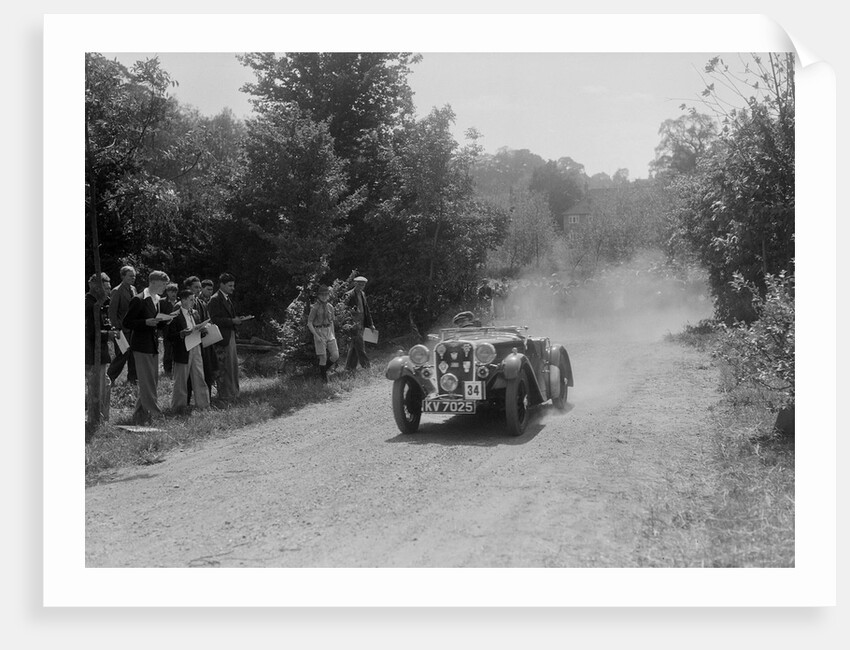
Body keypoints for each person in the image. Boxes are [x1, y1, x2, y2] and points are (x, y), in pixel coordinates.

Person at [124, 270, 172, 424]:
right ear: (153, 282)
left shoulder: (157, 299)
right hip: (141, 345)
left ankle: (139, 413)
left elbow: (156, 323)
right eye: (163, 284)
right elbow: (127, 322)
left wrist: (166, 321)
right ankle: (154, 413)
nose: (165, 287)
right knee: (147, 381)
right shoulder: (138, 299)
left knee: (152, 380)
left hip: (152, 345)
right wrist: (145, 322)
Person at [208, 272, 249, 400]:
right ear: (222, 285)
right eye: (230, 285)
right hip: (221, 338)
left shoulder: (226, 298)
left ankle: (233, 392)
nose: (233, 288)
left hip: (229, 335)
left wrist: (237, 319)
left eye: (233, 285)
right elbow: (214, 319)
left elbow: (227, 317)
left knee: (232, 366)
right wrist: (232, 321)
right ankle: (225, 394)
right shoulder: (215, 299)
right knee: (224, 366)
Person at [167, 289, 211, 411]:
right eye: (191, 299)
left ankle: (203, 405)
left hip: (196, 347)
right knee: (181, 380)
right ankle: (178, 407)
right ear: (183, 300)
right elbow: (169, 336)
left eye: (194, 299)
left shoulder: (196, 313)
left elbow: (198, 329)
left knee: (199, 377)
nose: (193, 302)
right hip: (182, 350)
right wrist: (181, 334)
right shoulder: (174, 316)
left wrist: (203, 330)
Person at [86, 272, 116, 434]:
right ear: (95, 287)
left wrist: (109, 330)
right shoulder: (89, 305)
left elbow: (102, 325)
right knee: (98, 385)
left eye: (109, 288)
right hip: (91, 353)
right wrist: (107, 334)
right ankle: (96, 419)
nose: (109, 291)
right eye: (105, 288)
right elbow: (90, 332)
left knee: (104, 383)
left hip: (100, 352)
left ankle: (101, 418)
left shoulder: (101, 303)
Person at [183, 275, 218, 404]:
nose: (198, 290)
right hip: (190, 344)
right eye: (195, 287)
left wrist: (207, 326)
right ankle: (185, 403)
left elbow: (207, 319)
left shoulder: (201, 303)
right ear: (188, 288)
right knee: (188, 377)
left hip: (204, 342)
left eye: (199, 287)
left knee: (206, 372)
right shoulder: (183, 305)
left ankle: (205, 401)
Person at [106, 265, 138, 384]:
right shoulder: (117, 290)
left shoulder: (134, 289)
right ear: (123, 276)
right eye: (130, 276)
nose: (133, 278)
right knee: (122, 355)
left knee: (133, 355)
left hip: (132, 328)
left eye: (134, 276)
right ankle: (109, 378)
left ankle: (133, 379)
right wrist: (116, 328)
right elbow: (112, 312)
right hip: (121, 329)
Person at [306, 285, 340, 383]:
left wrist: (333, 335)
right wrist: (316, 336)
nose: (324, 297)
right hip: (319, 332)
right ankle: (324, 380)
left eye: (326, 294)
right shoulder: (315, 307)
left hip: (329, 331)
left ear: (328, 295)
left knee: (335, 355)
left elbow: (332, 321)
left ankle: (323, 371)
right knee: (323, 357)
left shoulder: (330, 307)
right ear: (318, 296)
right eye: (322, 295)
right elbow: (309, 323)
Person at [343, 275, 375, 371]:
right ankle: (367, 367)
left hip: (361, 322)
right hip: (353, 323)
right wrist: (349, 324)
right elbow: (345, 311)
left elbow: (367, 310)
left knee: (354, 346)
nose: (361, 286)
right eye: (359, 284)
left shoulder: (363, 294)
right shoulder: (348, 295)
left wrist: (371, 324)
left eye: (363, 285)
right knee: (360, 345)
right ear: (355, 283)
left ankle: (349, 367)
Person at [160, 282, 180, 377]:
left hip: (177, 329)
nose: (173, 293)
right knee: (168, 350)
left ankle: (176, 369)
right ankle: (167, 370)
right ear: (167, 292)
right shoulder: (162, 302)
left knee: (176, 350)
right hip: (167, 329)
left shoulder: (180, 302)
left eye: (175, 291)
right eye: (171, 291)